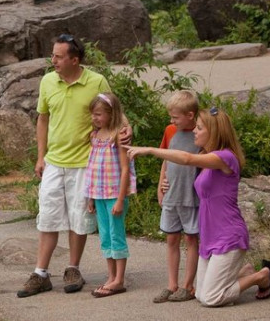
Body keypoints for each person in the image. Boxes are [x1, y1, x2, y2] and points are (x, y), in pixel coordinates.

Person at [17, 33, 130, 298]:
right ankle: (41, 273)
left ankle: (73, 268)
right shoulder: (48, 81)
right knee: (47, 217)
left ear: (74, 59)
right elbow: (42, 119)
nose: (52, 60)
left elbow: (115, 110)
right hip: (54, 160)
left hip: (84, 162)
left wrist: (128, 129)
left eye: (58, 56)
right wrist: (40, 156)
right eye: (53, 54)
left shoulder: (95, 81)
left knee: (79, 219)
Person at [128, 108, 270, 307]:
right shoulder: (208, 156)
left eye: (200, 128)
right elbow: (185, 168)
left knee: (211, 298)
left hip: (229, 236)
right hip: (210, 236)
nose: (195, 130)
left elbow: (186, 158)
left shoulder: (225, 158)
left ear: (214, 133)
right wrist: (166, 184)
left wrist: (149, 150)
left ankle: (261, 276)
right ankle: (244, 271)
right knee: (200, 294)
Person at [84, 92, 136, 298]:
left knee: (116, 234)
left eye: (99, 114)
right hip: (98, 194)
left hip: (115, 194)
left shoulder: (118, 136)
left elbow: (125, 169)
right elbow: (92, 168)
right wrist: (90, 197)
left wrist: (121, 199)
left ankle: (120, 279)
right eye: (93, 114)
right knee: (105, 236)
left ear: (111, 113)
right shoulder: (95, 136)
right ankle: (111, 276)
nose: (94, 118)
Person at [152, 90, 200, 304]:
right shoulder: (171, 130)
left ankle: (188, 285)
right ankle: (172, 284)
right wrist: (160, 185)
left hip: (191, 196)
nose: (172, 121)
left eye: (175, 117)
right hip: (172, 194)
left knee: (191, 238)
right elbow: (165, 158)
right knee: (171, 238)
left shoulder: (201, 132)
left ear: (190, 115)